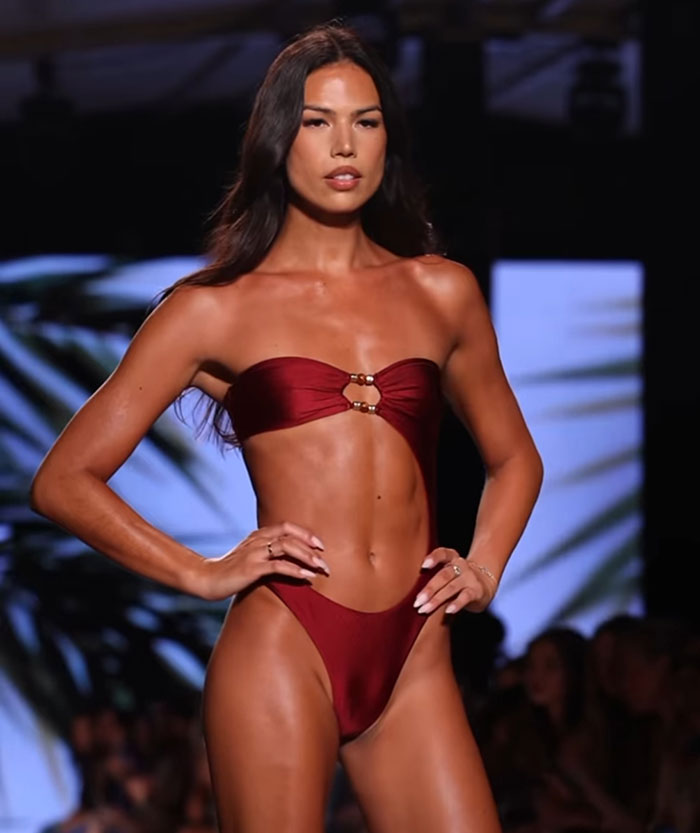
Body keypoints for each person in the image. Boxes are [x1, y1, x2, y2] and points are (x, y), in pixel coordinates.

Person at [29, 20, 543, 833]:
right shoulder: (212, 310)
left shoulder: (442, 293)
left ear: (388, 142)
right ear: (279, 140)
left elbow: (515, 459)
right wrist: (200, 571)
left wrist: (484, 566)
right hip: (285, 642)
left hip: (414, 652)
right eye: (317, 121)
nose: (346, 145)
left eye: (366, 122)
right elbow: (63, 480)